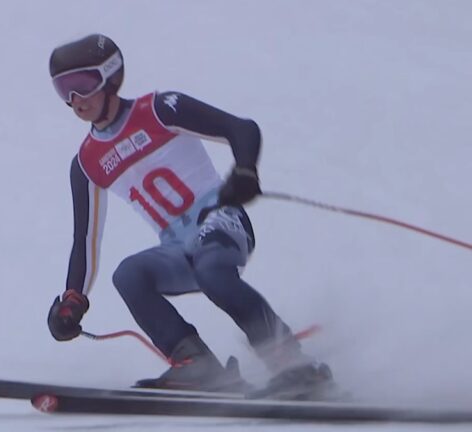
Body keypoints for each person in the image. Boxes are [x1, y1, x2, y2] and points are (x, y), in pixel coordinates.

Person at [45, 33, 332, 395]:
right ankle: (197, 365)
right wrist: (73, 299)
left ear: (110, 78)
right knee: (129, 275)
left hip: (221, 220)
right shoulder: (86, 163)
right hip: (177, 246)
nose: (74, 100)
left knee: (211, 269)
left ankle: (293, 364)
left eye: (81, 85)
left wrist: (245, 172)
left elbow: (241, 129)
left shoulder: (160, 110)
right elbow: (84, 240)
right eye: (62, 90)